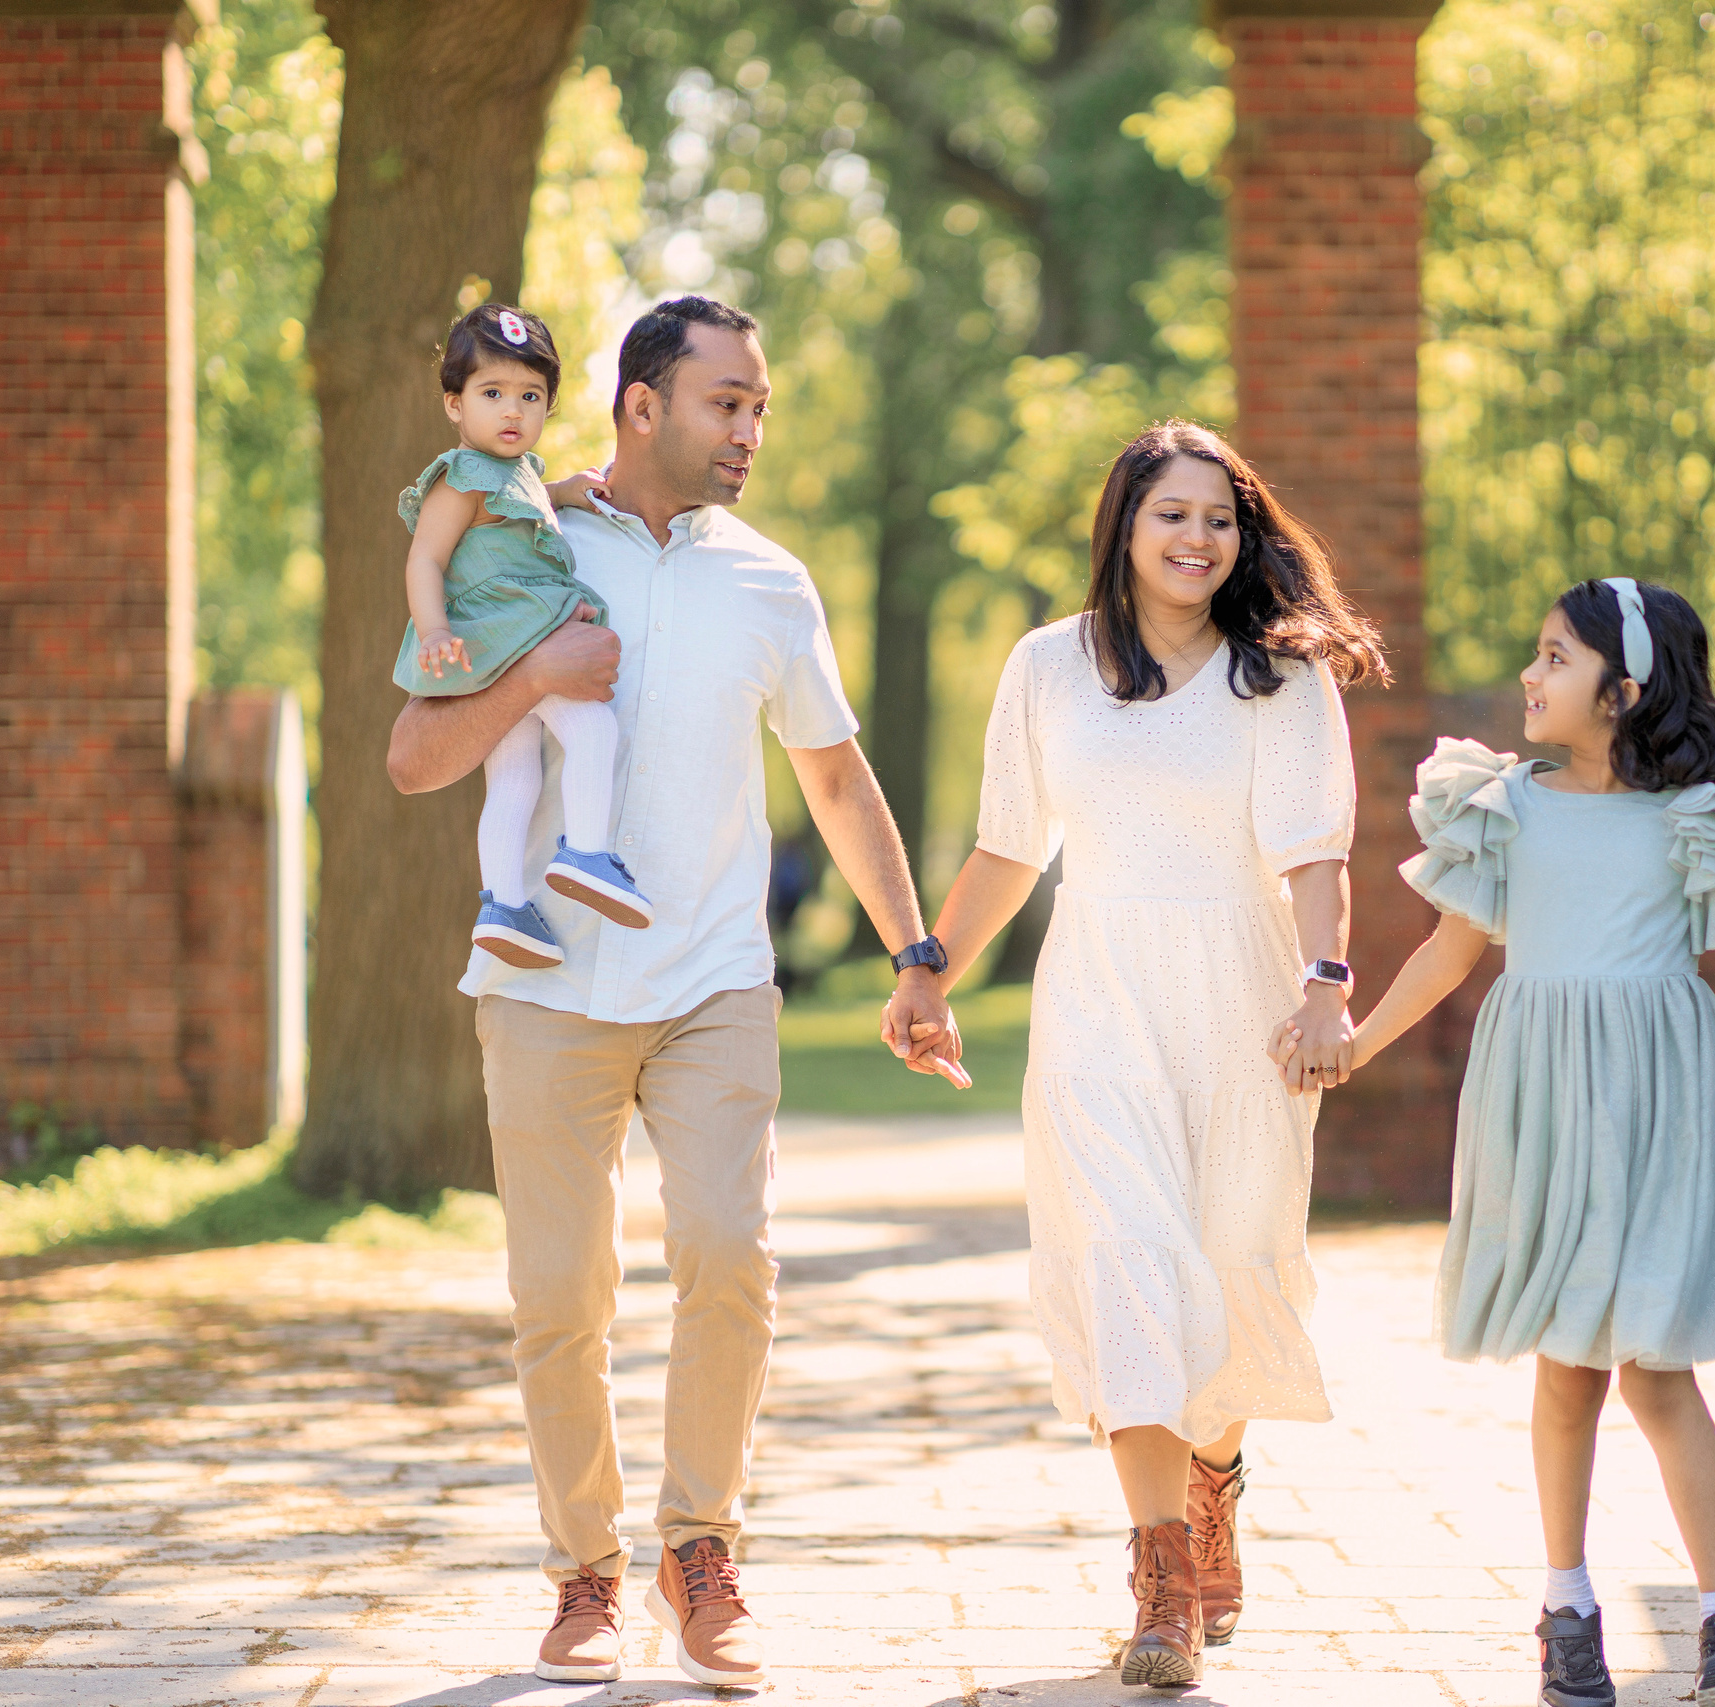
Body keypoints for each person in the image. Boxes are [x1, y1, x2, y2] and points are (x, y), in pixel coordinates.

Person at [385, 295, 958, 1692]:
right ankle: (583, 1570)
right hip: (544, 989)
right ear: (642, 404)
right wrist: (532, 669)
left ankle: (701, 1552)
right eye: (728, 403)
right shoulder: (524, 529)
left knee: (728, 1253)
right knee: (559, 1293)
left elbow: (833, 772)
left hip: (713, 977)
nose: (751, 429)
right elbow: (413, 756)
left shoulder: (771, 580)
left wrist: (916, 952)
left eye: (759, 405)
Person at [1327, 578, 1715, 1707]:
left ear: (1623, 688)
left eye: (1553, 657)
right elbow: (1447, 956)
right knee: (1568, 1367)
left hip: (1662, 1093)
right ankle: (1566, 1605)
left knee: (1660, 1367)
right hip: (1546, 1096)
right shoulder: (1503, 804)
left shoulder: (1699, 810)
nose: (1528, 673)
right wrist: (1353, 1051)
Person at [900, 421, 1385, 1688]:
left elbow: (1313, 855)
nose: (1198, 538)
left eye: (1220, 518)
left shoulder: (1281, 678)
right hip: (1096, 999)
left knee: (1226, 1268)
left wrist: (1328, 988)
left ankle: (1214, 1473)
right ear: (1124, 524)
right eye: (1172, 513)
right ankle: (1161, 1574)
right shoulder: (1046, 668)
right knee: (1125, 1261)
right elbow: (1012, 845)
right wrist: (926, 967)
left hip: (1244, 1001)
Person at [390, 303, 649, 970]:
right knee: (592, 729)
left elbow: (526, 500)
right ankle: (587, 851)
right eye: (492, 393)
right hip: (508, 635)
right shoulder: (460, 474)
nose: (513, 410)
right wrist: (433, 628)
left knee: (514, 778)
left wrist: (563, 491)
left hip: (503, 649)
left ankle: (503, 905)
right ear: (454, 404)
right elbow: (425, 559)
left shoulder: (518, 473)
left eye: (530, 395)